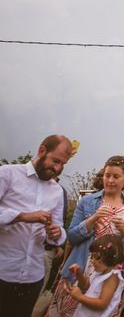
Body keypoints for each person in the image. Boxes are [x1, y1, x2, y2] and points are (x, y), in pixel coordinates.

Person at [50, 156, 124, 317]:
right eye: (107, 175)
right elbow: (71, 236)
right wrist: (92, 220)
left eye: (116, 176)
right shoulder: (88, 201)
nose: (110, 180)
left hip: (111, 273)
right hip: (83, 266)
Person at [0, 135, 72, 317]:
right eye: (55, 161)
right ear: (42, 151)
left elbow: (59, 230)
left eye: (63, 164)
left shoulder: (56, 191)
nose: (57, 168)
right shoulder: (7, 174)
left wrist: (56, 233)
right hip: (3, 271)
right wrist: (22, 216)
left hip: (33, 277)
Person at [66, 234, 124, 317]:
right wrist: (79, 274)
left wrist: (80, 297)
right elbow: (86, 286)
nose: (93, 261)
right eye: (92, 257)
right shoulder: (100, 273)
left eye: (97, 257)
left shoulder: (112, 277)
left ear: (110, 257)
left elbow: (102, 304)